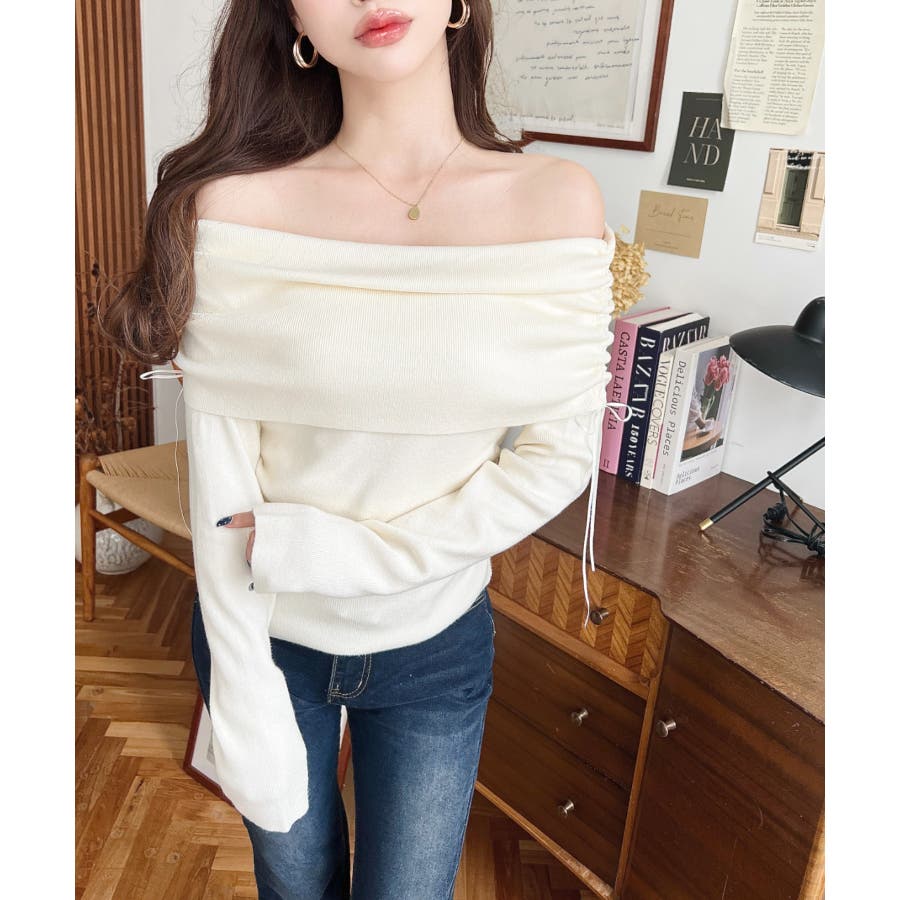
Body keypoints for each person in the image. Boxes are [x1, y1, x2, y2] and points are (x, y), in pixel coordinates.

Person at [101, 2, 625, 898]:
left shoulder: (555, 202)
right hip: (267, 632)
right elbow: (221, 472)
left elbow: (558, 453)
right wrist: (243, 679)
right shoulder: (234, 205)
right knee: (293, 884)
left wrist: (339, 553)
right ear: (295, 19)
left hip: (435, 641)